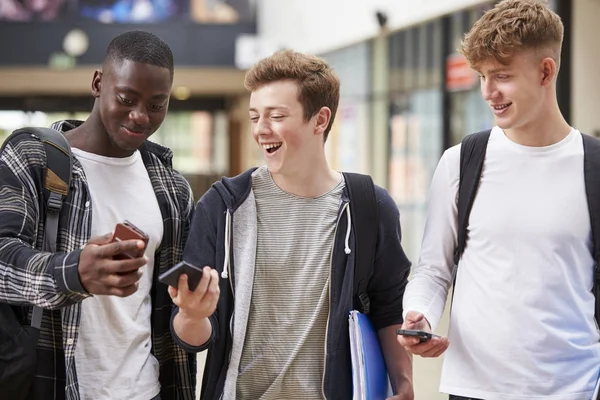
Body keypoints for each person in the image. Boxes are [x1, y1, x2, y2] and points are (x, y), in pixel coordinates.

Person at [168, 50, 414, 399]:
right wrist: (192, 316)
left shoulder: (369, 207)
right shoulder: (223, 207)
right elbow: (193, 337)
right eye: (254, 117)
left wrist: (404, 385)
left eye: (277, 116)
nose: (260, 130)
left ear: (320, 120)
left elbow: (389, 308)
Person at [398, 1, 600, 399]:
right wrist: (419, 313)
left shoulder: (593, 166)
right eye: (482, 76)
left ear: (546, 71)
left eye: (502, 76)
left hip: (575, 389)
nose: (489, 92)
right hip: (475, 388)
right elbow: (433, 269)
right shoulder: (461, 162)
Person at [0, 30, 195, 400]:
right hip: (55, 385)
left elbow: (172, 308)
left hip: (146, 389)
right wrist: (74, 273)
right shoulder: (33, 157)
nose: (140, 116)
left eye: (157, 104)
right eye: (126, 99)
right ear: (97, 83)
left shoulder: (172, 188)